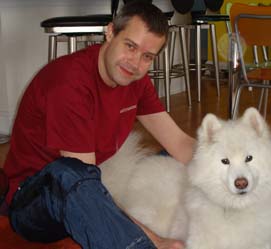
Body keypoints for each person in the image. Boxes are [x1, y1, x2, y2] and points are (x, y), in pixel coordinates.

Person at [3, 1, 193, 249]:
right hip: (34, 202)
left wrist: (232, 167)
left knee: (175, 157)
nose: (135, 63)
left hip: (84, 184)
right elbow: (85, 188)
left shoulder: (135, 80)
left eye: (147, 57)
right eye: (130, 46)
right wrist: (155, 239)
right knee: (71, 173)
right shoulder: (69, 84)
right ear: (111, 32)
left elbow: (179, 142)